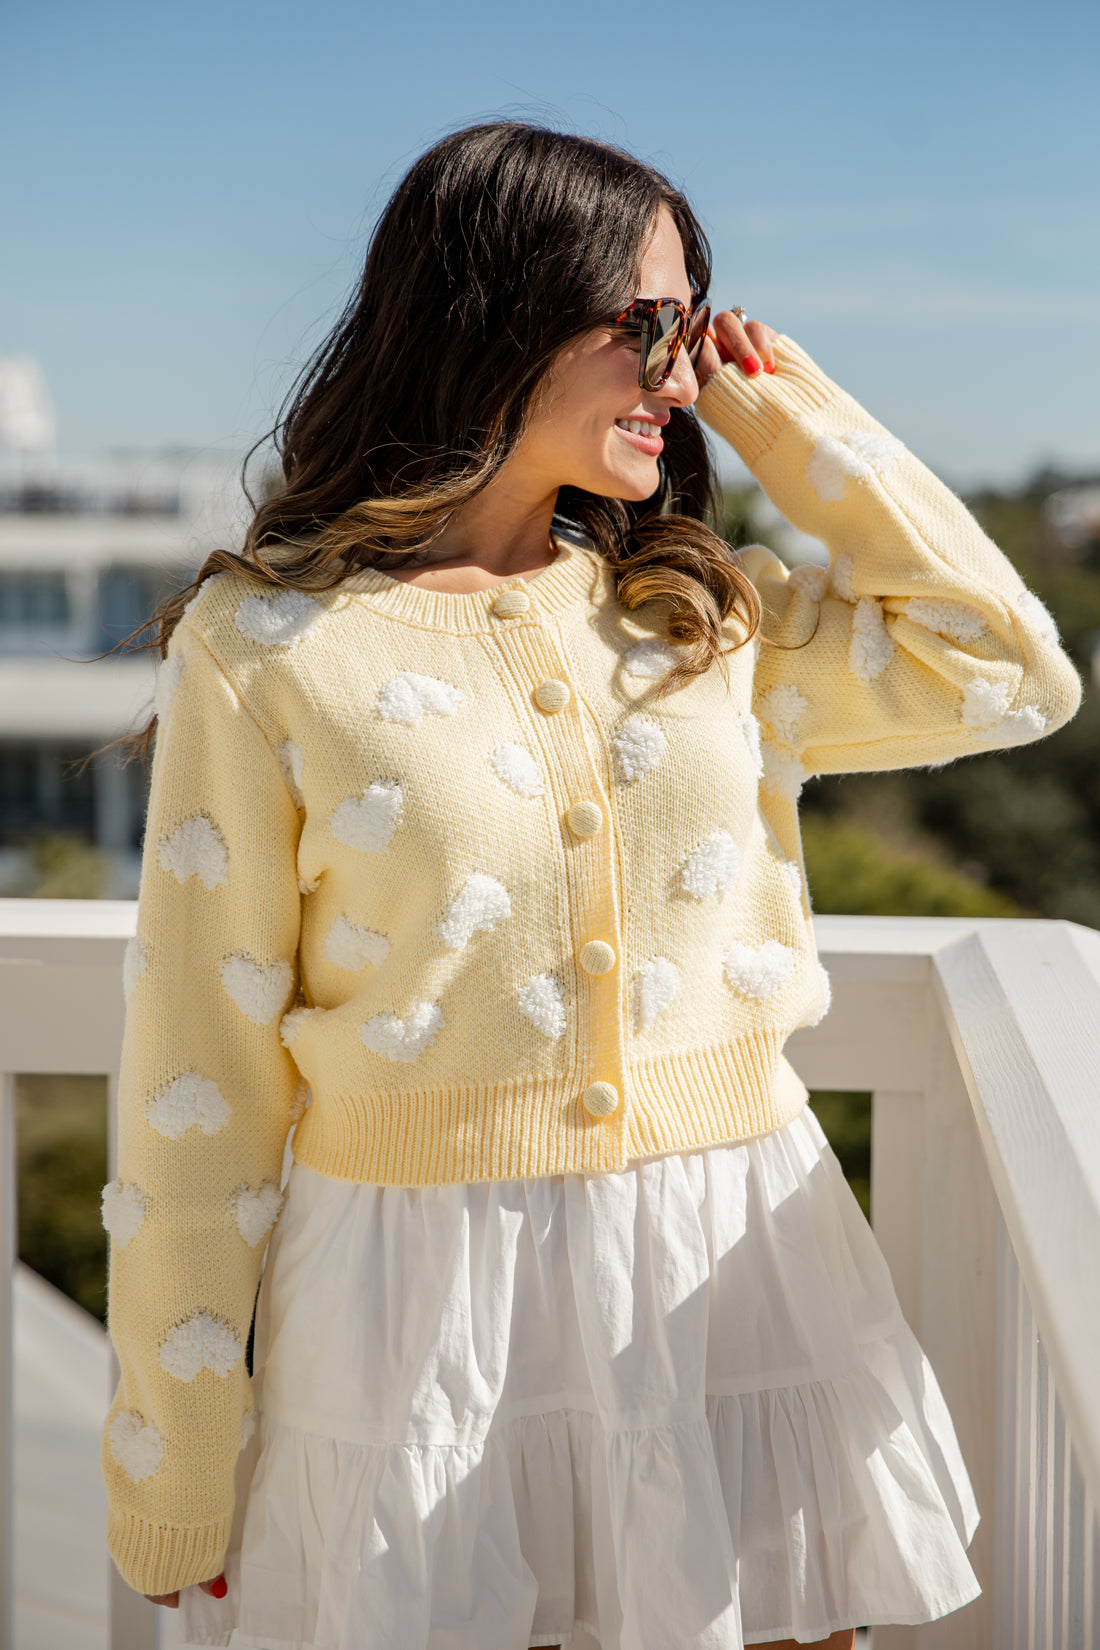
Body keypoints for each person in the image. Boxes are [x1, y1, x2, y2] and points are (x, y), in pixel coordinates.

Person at [99, 121, 1081, 1650]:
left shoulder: (699, 617)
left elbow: (1011, 671)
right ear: (495, 307)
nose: (679, 375)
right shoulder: (271, 651)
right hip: (418, 1309)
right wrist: (172, 1454)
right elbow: (194, 1086)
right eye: (647, 327)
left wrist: (785, 408)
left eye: (693, 329)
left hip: (729, 1258)